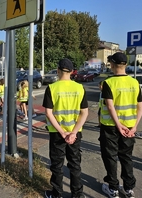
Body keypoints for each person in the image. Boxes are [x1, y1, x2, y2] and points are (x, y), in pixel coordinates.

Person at [100, 52, 142, 198]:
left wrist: (118, 125)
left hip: (110, 127)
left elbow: (110, 107)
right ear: (126, 65)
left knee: (111, 157)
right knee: (126, 157)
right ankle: (129, 188)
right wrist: (135, 126)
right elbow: (140, 107)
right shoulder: (134, 82)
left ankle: (113, 188)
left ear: (112, 64)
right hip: (130, 127)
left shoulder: (109, 83)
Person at [43, 58, 88, 198]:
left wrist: (62, 132)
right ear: (72, 72)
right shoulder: (79, 88)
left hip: (57, 133)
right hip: (75, 134)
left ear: (58, 70)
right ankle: (77, 194)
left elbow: (48, 113)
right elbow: (84, 112)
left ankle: (56, 194)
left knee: (57, 165)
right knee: (75, 164)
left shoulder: (52, 88)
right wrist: (73, 132)